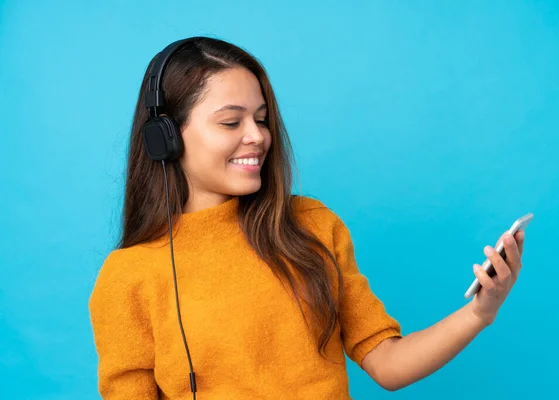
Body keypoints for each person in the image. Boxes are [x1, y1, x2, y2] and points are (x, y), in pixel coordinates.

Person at [89, 36, 526, 399]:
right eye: (230, 122)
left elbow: (388, 364)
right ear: (165, 137)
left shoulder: (312, 225)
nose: (257, 136)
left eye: (261, 119)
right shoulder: (129, 278)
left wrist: (480, 312)